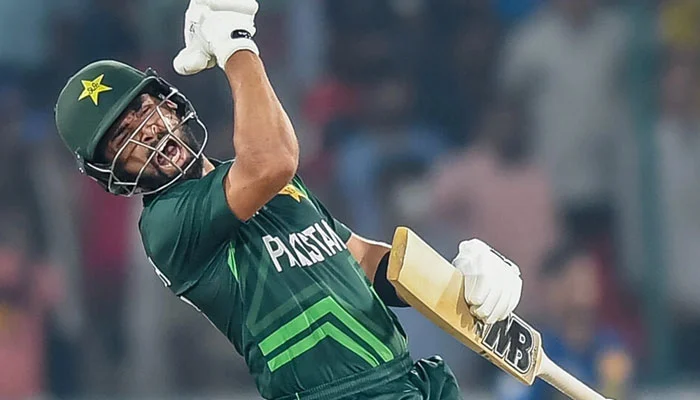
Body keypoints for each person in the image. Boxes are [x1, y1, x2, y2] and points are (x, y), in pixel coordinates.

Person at [53, 1, 522, 399]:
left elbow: (358, 259)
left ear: (171, 104)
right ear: (113, 175)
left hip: (406, 379)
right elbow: (273, 159)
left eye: (143, 110)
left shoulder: (255, 178)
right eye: (123, 138)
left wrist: (456, 284)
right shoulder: (166, 224)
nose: (147, 132)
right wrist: (236, 43)